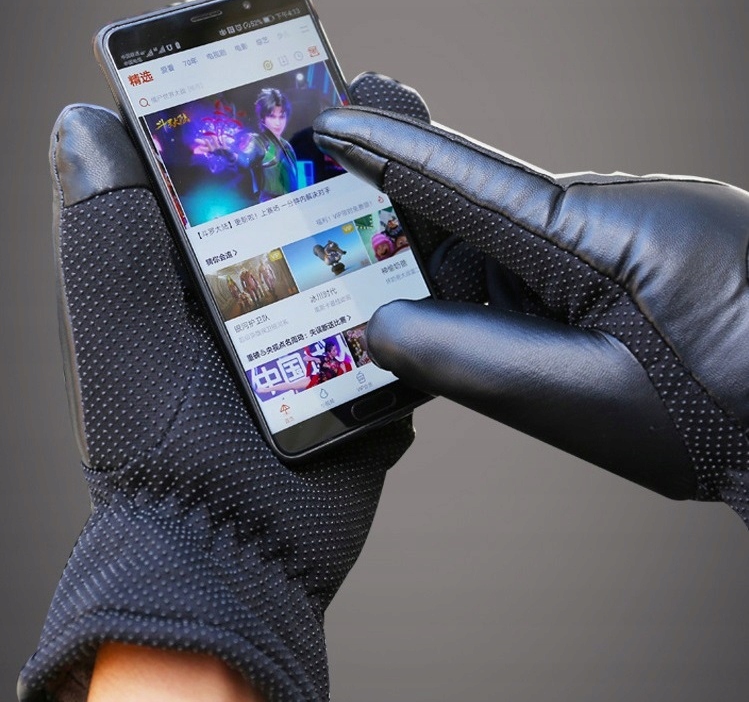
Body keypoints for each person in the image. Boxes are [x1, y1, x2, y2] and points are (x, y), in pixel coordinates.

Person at [18, 71, 749, 701]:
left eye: (278, 109)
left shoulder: (287, 159)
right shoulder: (247, 159)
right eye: (267, 112)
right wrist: (214, 541)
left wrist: (191, 549)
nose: (274, 119)